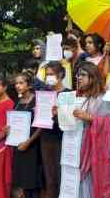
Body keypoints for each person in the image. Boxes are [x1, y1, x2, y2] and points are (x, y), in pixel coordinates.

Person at [73, 62, 110, 198]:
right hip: (82, 152)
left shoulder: (104, 99)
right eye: (77, 75)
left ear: (93, 78)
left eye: (83, 75)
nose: (79, 78)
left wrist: (91, 119)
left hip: (98, 154)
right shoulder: (81, 99)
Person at [11, 72, 42, 198]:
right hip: (18, 146)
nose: (17, 86)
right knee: (22, 183)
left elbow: (41, 127)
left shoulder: (37, 101)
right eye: (16, 83)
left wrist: (28, 142)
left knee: (33, 182)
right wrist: (9, 129)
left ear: (29, 85)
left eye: (21, 83)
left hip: (33, 146)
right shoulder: (17, 102)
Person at [41, 61, 69, 198]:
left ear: (61, 75)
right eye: (47, 75)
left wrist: (60, 114)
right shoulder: (43, 94)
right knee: (50, 177)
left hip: (63, 139)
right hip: (46, 138)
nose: (48, 77)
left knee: (62, 175)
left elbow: (71, 120)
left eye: (51, 74)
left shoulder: (69, 93)